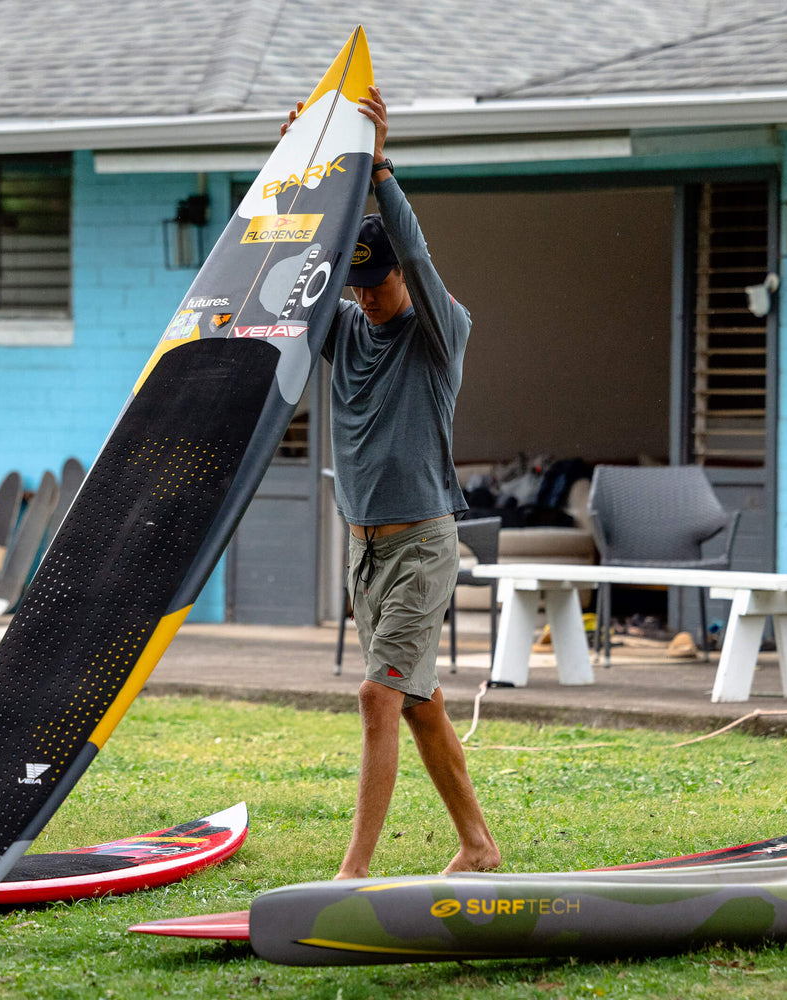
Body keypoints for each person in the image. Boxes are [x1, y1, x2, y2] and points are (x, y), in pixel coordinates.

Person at [283, 86, 501, 879]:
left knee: (378, 696)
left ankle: (353, 874)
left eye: (380, 281)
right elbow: (293, 272)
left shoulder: (441, 334)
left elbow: (418, 255)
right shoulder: (345, 326)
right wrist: (303, 172)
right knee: (418, 704)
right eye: (358, 284)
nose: (370, 295)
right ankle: (478, 846)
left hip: (421, 543)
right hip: (364, 551)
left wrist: (379, 170)